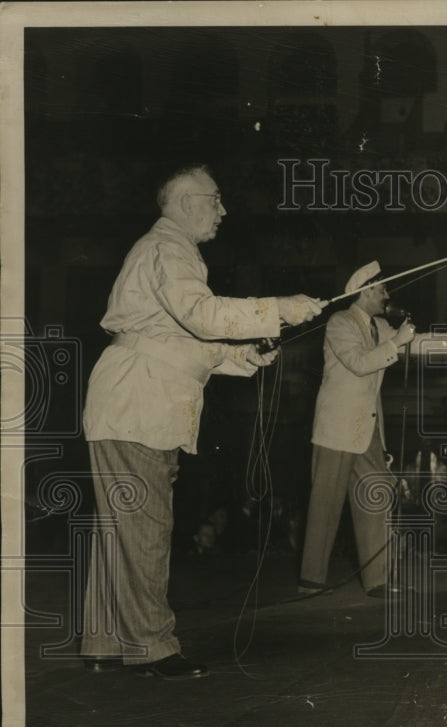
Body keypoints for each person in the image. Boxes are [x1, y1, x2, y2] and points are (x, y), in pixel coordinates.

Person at [80, 164, 323, 680]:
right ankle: (153, 648)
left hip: (129, 397)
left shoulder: (164, 250)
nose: (223, 210)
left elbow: (183, 341)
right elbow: (202, 316)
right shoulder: (170, 248)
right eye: (215, 200)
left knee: (121, 525)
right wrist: (277, 307)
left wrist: (243, 358)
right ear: (189, 203)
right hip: (138, 403)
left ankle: (105, 641)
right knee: (145, 526)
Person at [299, 261, 447, 598]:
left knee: (377, 497)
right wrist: (397, 342)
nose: (387, 295)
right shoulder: (339, 322)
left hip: (367, 431)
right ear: (365, 291)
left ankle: (377, 579)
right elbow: (359, 363)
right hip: (336, 428)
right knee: (325, 504)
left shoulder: (378, 325)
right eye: (383, 289)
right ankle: (311, 581)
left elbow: (417, 344)